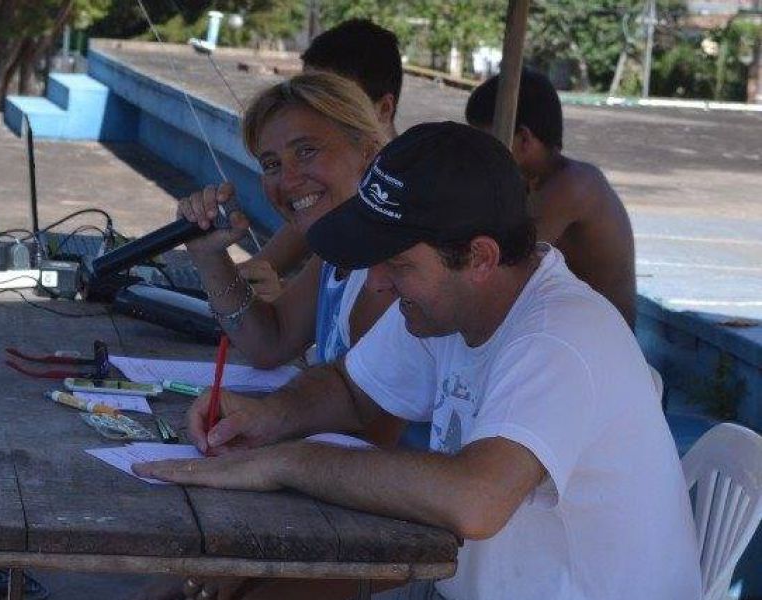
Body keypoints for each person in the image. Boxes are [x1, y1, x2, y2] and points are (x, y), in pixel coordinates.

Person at [135, 122, 702, 600]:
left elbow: (475, 499)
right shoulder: (449, 302)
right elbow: (353, 389)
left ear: (479, 256)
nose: (377, 283)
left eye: (398, 265)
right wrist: (263, 417)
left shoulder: (559, 336)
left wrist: (293, 461)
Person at [177, 71, 394, 371]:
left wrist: (263, 415)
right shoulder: (339, 251)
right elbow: (271, 342)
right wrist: (208, 255)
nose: (288, 180)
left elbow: (363, 409)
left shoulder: (389, 265)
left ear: (368, 151)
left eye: (306, 151)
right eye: (272, 164)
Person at [240, 19, 403, 300]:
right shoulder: (332, 212)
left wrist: (280, 301)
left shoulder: (400, 212)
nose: (307, 112)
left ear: (383, 110)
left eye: (331, 99)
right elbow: (257, 273)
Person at [465, 68, 637, 328]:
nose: (477, 155)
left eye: (486, 141)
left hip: (598, 340)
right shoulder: (532, 183)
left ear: (524, 139)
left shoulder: (574, 185)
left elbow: (505, 263)